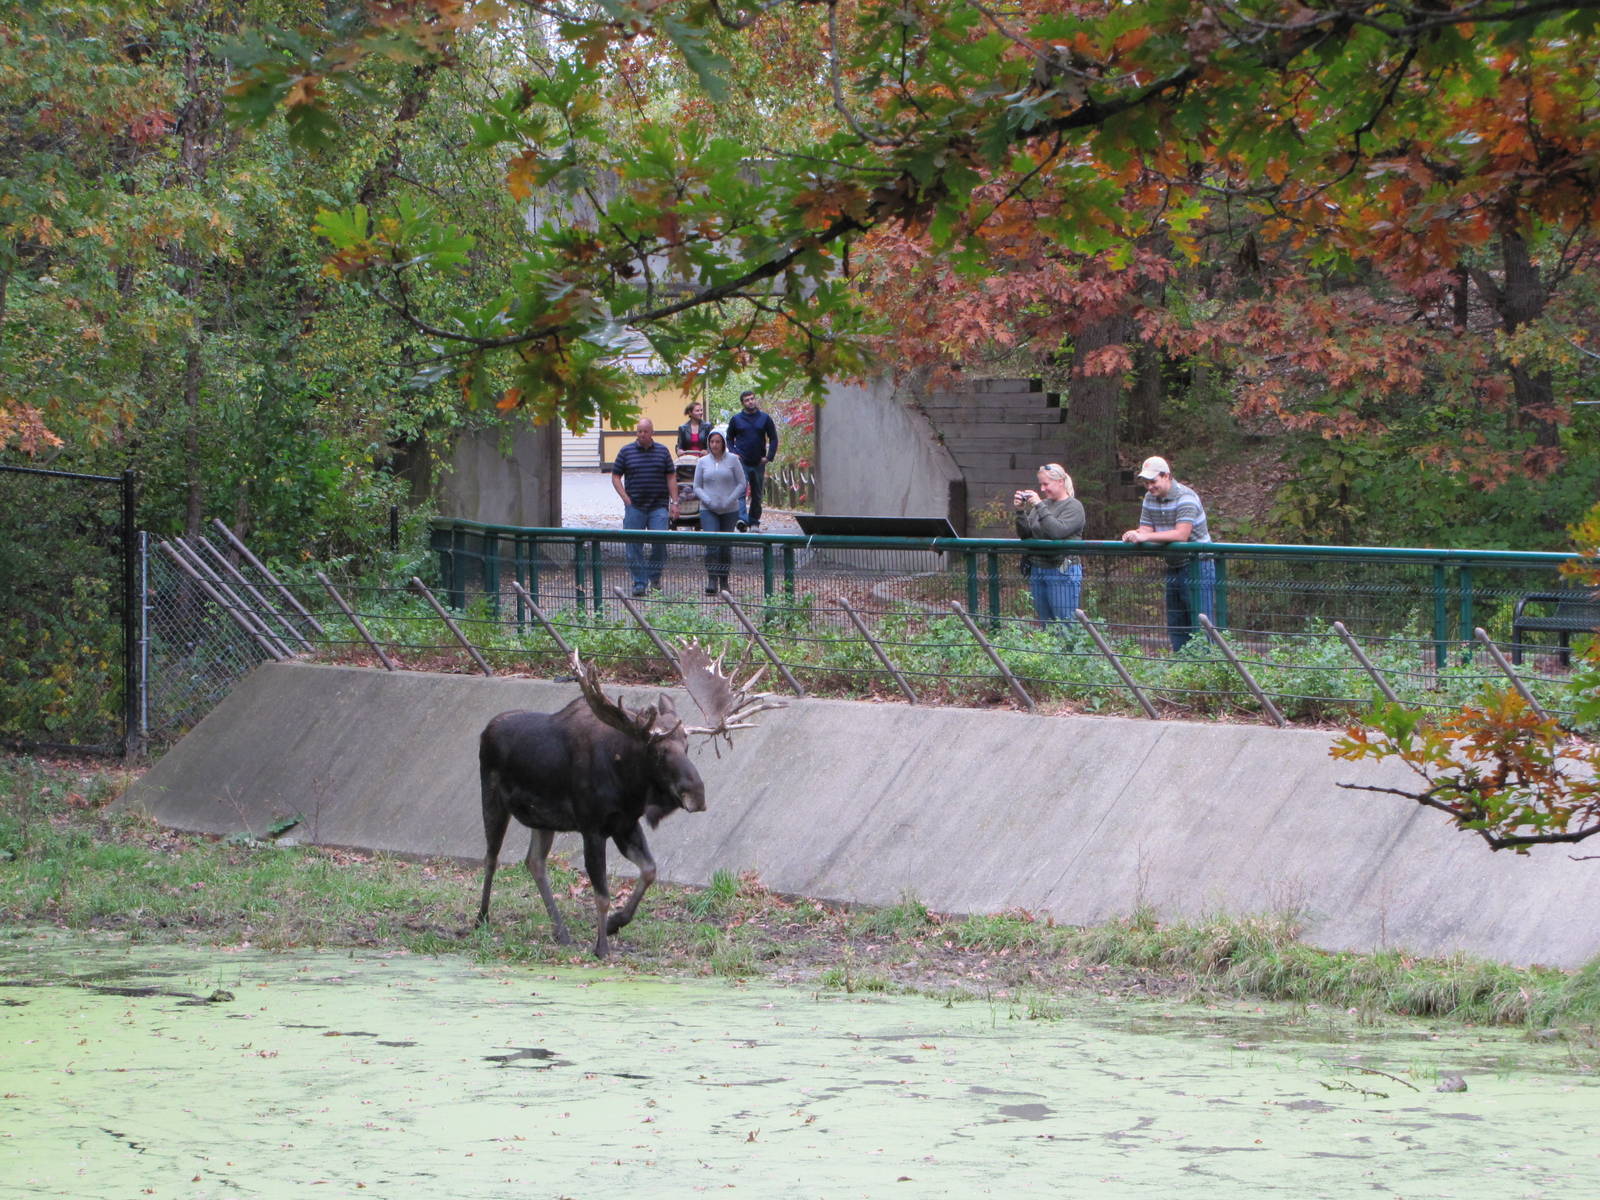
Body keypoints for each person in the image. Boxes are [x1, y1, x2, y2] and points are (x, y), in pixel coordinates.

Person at [1120, 455, 1215, 651]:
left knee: (1201, 619)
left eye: (1153, 481)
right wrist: (1135, 534)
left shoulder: (1186, 497)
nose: (1149, 487)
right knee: (1176, 620)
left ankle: (1208, 665)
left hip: (1198, 565)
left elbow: (1182, 534)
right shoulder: (1149, 498)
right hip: (1173, 565)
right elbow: (1145, 530)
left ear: (1167, 476)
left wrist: (1146, 537)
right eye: (1146, 482)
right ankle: (1181, 665)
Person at [611, 419, 679, 596]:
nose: (642, 434)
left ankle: (654, 576)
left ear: (652, 433)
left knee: (659, 543)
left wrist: (675, 502)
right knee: (633, 545)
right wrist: (625, 498)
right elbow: (616, 476)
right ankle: (639, 582)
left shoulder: (663, 451)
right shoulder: (626, 452)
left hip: (658, 506)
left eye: (645, 431)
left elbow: (671, 476)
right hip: (635, 506)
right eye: (639, 431)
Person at [1014, 463, 1086, 628]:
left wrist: (1039, 506)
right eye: (1041, 484)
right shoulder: (1042, 505)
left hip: (1062, 569)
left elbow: (1057, 531)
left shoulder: (1074, 506)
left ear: (1060, 481)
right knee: (1046, 624)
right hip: (1038, 568)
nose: (1042, 488)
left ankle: (1068, 653)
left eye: (1046, 484)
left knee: (1064, 623)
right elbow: (1026, 534)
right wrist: (1020, 511)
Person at [691, 431, 746, 595]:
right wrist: (707, 500)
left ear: (723, 443)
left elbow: (742, 483)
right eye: (712, 442)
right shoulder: (702, 462)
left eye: (718, 442)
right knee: (711, 546)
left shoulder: (733, 460)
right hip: (709, 508)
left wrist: (730, 500)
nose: (715, 445)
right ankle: (712, 579)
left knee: (725, 546)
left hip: (729, 509)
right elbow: (697, 486)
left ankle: (724, 580)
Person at [725, 389, 778, 530]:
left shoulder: (765, 418)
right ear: (742, 403)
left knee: (757, 493)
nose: (750, 401)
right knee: (741, 491)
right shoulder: (736, 419)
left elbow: (773, 438)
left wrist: (769, 457)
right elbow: (729, 438)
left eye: (752, 398)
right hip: (742, 460)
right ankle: (742, 520)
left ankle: (754, 521)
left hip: (759, 461)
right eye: (747, 400)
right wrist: (733, 452)